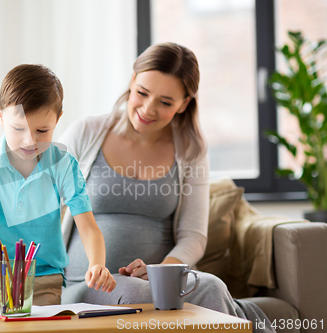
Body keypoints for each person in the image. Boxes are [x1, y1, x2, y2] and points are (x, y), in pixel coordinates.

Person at [58, 43, 274, 333]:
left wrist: (160, 271)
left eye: (165, 102)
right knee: (139, 294)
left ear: (184, 104)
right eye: (143, 93)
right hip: (88, 282)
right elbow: (40, 202)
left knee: (212, 286)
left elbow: (193, 236)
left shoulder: (190, 150)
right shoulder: (85, 133)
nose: (148, 110)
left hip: (163, 279)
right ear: (132, 81)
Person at [0, 64, 116, 310]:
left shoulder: (64, 166)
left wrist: (97, 264)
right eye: (18, 129)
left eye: (42, 130)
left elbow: (88, 227)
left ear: (58, 119)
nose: (30, 141)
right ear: (0, 116)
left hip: (43, 280)